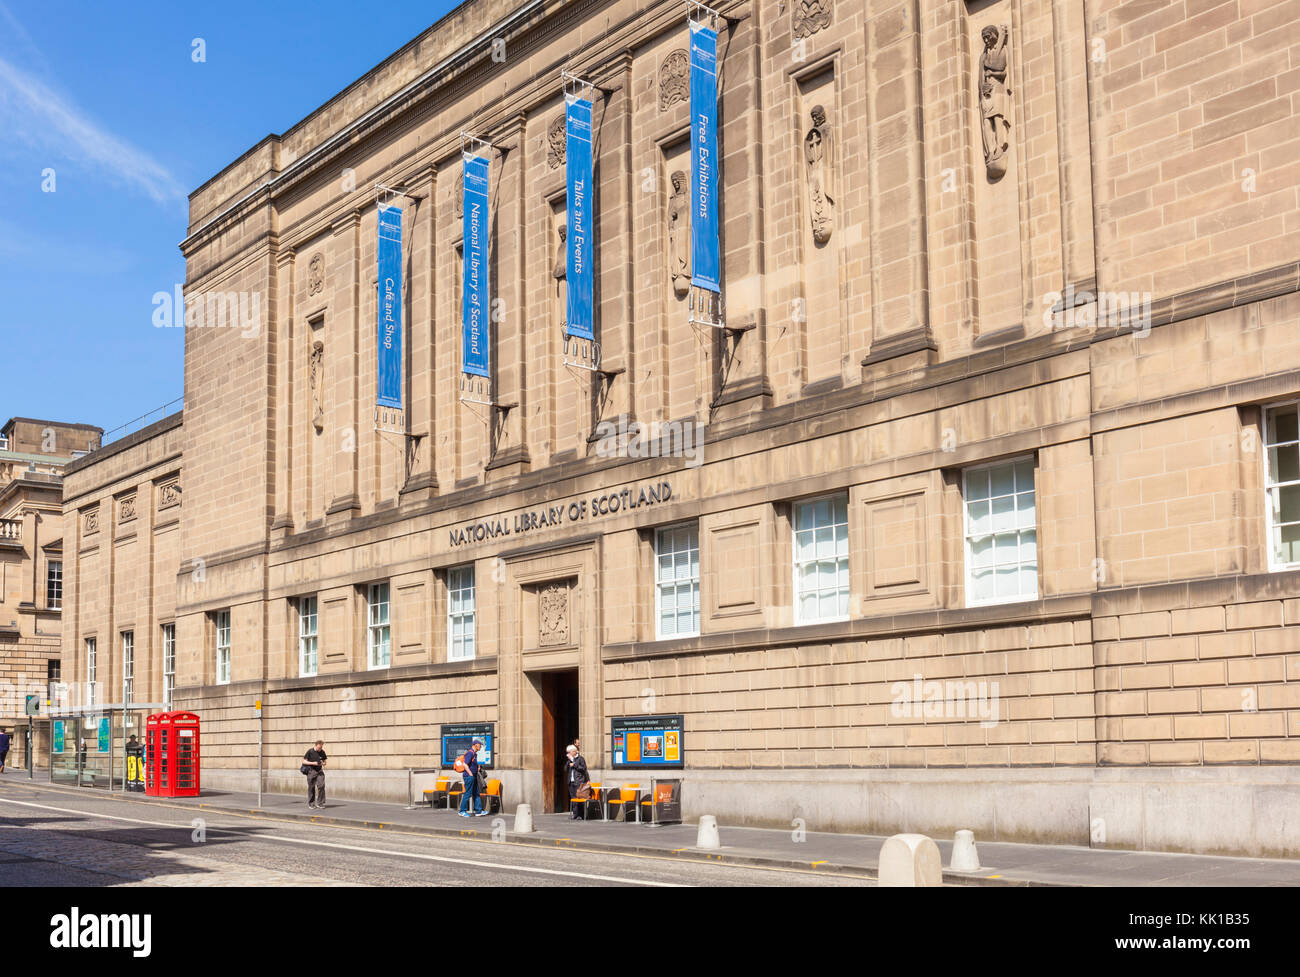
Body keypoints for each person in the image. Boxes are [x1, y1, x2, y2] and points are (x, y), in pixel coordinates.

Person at [458, 739, 488, 817]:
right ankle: (462, 811)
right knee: (467, 793)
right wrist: (471, 774)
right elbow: (465, 764)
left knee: (476, 793)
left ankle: (478, 811)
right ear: (475, 745)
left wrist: (477, 767)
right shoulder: (470, 753)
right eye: (480, 745)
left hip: (473, 776)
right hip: (469, 776)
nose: (481, 747)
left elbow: (472, 763)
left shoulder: (474, 754)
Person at [565, 744, 590, 820]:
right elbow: (565, 769)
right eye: (568, 752)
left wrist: (574, 764)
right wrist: (569, 763)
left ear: (574, 751)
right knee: (573, 799)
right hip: (571, 782)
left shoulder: (580, 759)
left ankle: (581, 815)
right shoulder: (570, 759)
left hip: (579, 782)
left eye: (569, 752)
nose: (568, 754)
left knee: (579, 799)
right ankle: (575, 814)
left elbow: (583, 769)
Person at [303, 740, 328, 809]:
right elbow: (304, 761)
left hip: (319, 771)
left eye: (321, 747)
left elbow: (324, 761)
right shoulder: (310, 751)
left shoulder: (322, 752)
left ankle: (320, 803)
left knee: (321, 786)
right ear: (316, 745)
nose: (320, 749)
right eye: (319, 748)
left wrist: (323, 763)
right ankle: (311, 803)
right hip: (311, 771)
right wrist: (313, 763)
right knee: (311, 787)